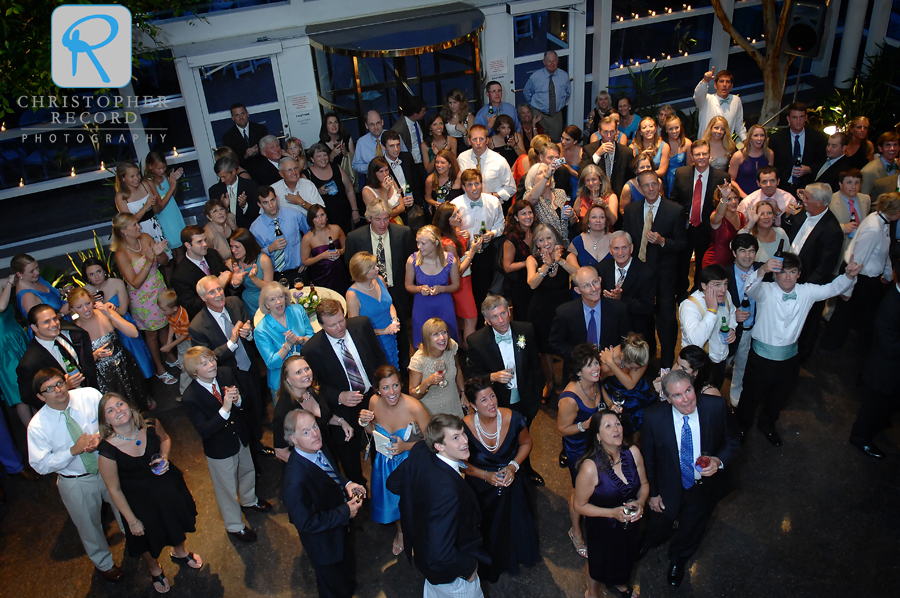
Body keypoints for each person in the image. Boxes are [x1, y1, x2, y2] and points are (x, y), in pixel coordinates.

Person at [738, 252, 862, 445]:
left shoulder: (807, 291)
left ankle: (768, 424)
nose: (787, 277)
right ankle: (741, 427)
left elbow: (832, 288)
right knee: (750, 395)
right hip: (761, 357)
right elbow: (750, 288)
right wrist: (762, 269)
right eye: (783, 272)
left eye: (792, 272)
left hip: (789, 358)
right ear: (775, 274)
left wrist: (849, 275)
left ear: (799, 274)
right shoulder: (765, 290)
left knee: (780, 397)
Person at [641, 369, 741, 588]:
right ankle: (646, 543)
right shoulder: (653, 417)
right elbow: (648, 458)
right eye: (677, 395)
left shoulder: (715, 407)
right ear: (667, 399)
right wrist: (653, 493)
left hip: (703, 486)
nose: (686, 398)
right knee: (659, 523)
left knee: (692, 527)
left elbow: (734, 441)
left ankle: (678, 560)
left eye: (688, 390)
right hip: (668, 485)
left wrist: (719, 461)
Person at [27, 368, 125, 583]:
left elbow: (113, 420)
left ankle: (137, 543)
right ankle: (105, 565)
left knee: (125, 508)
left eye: (59, 383)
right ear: (40, 396)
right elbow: (40, 465)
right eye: (49, 389)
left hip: (108, 466)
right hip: (76, 481)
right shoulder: (37, 426)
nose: (58, 390)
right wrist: (74, 450)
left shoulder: (89, 396)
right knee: (89, 525)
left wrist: (100, 437)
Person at [97, 393, 200, 594]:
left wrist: (165, 457)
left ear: (129, 406)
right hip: (139, 503)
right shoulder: (107, 451)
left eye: (120, 404)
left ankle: (180, 551)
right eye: (110, 410)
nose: (118, 410)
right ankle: (154, 568)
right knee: (145, 537)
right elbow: (114, 489)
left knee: (175, 521)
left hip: (167, 487)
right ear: (106, 421)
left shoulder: (150, 424)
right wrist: (131, 520)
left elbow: (165, 439)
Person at [386, 414, 489, 597]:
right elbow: (440, 553)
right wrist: (467, 569)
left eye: (463, 434)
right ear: (439, 446)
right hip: (454, 580)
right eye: (455, 438)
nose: (465, 441)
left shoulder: (420, 450)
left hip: (425, 563)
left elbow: (394, 483)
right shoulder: (448, 492)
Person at [181, 347, 271, 541]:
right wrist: (225, 409)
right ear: (194, 372)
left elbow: (246, 401)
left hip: (240, 436)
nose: (212, 365)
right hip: (220, 449)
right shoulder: (190, 397)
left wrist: (238, 400)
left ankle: (249, 500)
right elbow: (204, 430)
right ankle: (234, 525)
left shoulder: (225, 373)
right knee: (226, 489)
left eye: (211, 360)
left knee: (248, 470)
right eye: (204, 364)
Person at [460, 378, 539, 583]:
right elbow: (460, 464)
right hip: (481, 485)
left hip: (513, 479)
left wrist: (513, 466)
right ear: (473, 405)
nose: (491, 403)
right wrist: (486, 475)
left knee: (517, 519)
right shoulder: (464, 428)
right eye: (484, 400)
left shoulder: (513, 418)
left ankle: (520, 555)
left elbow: (526, 443)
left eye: (492, 396)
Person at [301, 299, 388, 484]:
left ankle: (382, 485)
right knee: (349, 456)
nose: (340, 328)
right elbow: (314, 386)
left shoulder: (362, 325)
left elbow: (379, 358)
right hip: (342, 410)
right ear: (322, 325)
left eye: (341, 321)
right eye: (332, 325)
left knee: (380, 446)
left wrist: (382, 390)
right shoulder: (312, 350)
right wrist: (338, 396)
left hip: (373, 398)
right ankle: (358, 492)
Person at [283, 409, 365, 598]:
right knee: (332, 586)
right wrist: (345, 511)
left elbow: (332, 472)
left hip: (339, 532)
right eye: (305, 432)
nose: (315, 433)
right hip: (324, 545)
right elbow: (306, 523)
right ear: (293, 439)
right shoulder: (295, 481)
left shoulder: (318, 447)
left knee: (344, 573)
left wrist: (348, 483)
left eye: (314, 426)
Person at [465, 295, 545, 485]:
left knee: (523, 436)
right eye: (494, 317)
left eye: (503, 313)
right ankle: (502, 471)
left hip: (526, 398)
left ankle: (524, 469)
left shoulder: (525, 330)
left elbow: (536, 365)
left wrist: (536, 394)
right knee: (504, 440)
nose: (501, 320)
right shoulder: (476, 341)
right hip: (498, 401)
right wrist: (492, 377)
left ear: (509, 311)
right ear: (487, 320)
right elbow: (472, 376)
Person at [189, 275, 268, 456]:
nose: (218, 294)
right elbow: (204, 359)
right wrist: (231, 343)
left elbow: (249, 326)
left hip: (249, 367)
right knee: (241, 415)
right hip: (228, 376)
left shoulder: (235, 303)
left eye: (219, 289)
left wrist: (249, 334)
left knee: (256, 407)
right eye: (212, 292)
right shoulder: (198, 326)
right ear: (203, 298)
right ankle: (248, 452)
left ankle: (257, 444)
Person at [573, 411, 649, 598]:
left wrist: (640, 502)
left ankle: (620, 584)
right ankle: (591, 593)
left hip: (629, 525)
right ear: (598, 436)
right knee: (598, 564)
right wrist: (612, 513)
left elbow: (645, 484)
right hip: (603, 527)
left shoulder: (633, 453)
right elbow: (579, 506)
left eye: (617, 424)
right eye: (608, 426)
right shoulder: (590, 468)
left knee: (625, 558)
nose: (616, 429)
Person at [358, 364, 431, 555]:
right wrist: (365, 423)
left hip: (411, 463)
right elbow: (372, 432)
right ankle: (401, 531)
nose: (392, 392)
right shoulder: (373, 402)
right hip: (385, 463)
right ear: (377, 390)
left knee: (414, 504)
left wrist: (406, 446)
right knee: (394, 502)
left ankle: (420, 532)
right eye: (385, 387)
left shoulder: (414, 407)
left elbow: (434, 441)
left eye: (395, 385)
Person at [821, 192, 900, 353]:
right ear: (894, 211)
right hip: (861, 278)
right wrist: (848, 288)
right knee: (845, 314)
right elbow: (857, 258)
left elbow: (884, 250)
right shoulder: (874, 228)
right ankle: (830, 347)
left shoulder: (881, 221)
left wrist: (886, 273)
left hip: (867, 278)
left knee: (852, 314)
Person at [621, 170, 686, 365]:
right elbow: (626, 239)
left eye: (654, 184)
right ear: (639, 188)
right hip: (639, 275)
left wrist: (663, 241)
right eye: (646, 185)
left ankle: (666, 364)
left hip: (664, 275)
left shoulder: (675, 210)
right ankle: (644, 362)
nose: (651, 189)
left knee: (666, 320)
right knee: (641, 320)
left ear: (659, 185)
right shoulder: (631, 210)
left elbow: (682, 244)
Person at [344, 200, 415, 369]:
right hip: (367, 292)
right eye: (378, 219)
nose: (383, 224)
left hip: (397, 290)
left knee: (402, 332)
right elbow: (352, 267)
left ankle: (403, 369)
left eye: (386, 219)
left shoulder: (403, 233)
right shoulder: (355, 237)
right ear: (369, 218)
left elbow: (411, 261)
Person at [781, 183, 845, 360]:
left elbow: (825, 267)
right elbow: (789, 235)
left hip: (806, 286)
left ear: (819, 202)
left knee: (806, 325)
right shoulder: (803, 213)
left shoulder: (832, 231)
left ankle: (799, 358)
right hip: (786, 278)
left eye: (807, 197)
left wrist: (803, 289)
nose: (803, 200)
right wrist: (787, 217)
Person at [111, 212, 176, 385]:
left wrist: (160, 254)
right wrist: (148, 260)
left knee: (165, 326)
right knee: (152, 334)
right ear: (123, 231)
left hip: (159, 289)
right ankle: (159, 368)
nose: (139, 226)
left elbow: (164, 262)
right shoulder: (121, 253)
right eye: (134, 225)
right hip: (142, 299)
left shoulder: (146, 237)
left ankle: (170, 356)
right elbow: (135, 282)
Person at [849, 253, 900, 458]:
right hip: (884, 372)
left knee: (884, 406)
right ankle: (860, 438)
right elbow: (889, 347)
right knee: (872, 408)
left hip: (890, 372)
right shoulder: (891, 306)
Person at [67, 289, 153, 410]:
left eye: (88, 304)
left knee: (137, 402)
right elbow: (80, 363)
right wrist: (95, 355)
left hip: (124, 365)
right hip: (102, 376)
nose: (86, 310)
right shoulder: (74, 330)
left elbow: (134, 333)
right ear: (72, 309)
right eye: (80, 307)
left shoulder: (104, 313)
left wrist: (109, 314)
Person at [557, 343, 604, 559]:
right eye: (589, 366)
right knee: (579, 491)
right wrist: (584, 425)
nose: (596, 368)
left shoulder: (597, 383)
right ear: (578, 372)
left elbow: (607, 404)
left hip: (598, 445)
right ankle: (575, 531)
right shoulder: (569, 398)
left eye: (596, 362)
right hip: (578, 450)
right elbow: (562, 429)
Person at [271, 356, 356, 472]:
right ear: (288, 380)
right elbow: (281, 453)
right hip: (305, 469)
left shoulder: (313, 391)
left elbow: (323, 417)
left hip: (326, 454)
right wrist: (314, 466)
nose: (305, 374)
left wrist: (341, 422)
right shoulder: (284, 411)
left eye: (307, 369)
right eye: (298, 372)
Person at [670, 140, 731, 299]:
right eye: (698, 154)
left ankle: (698, 294)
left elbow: (724, 205)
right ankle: (681, 295)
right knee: (681, 264)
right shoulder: (681, 173)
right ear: (692, 156)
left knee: (703, 266)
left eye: (705, 153)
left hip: (707, 228)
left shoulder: (722, 177)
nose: (701, 157)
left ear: (709, 154)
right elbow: (674, 200)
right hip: (685, 227)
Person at [549, 265, 632, 378]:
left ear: (600, 280)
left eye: (595, 282)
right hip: (577, 373)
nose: (594, 289)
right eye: (587, 286)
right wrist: (581, 357)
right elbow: (555, 343)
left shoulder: (618, 309)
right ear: (577, 290)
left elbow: (626, 340)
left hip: (611, 373)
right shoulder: (565, 312)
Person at [82, 258, 155, 380]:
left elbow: (123, 310)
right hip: (103, 328)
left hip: (122, 323)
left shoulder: (116, 283)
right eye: (91, 274)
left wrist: (107, 308)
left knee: (136, 357)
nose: (96, 276)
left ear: (104, 271)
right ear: (87, 277)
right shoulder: (85, 291)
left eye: (98, 271)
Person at [16, 304, 99, 410]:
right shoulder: (29, 363)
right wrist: (63, 388)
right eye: (46, 322)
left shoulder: (68, 333)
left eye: (54, 319)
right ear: (34, 327)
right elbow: (28, 397)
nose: (54, 324)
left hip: (91, 397)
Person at [529, 225, 579, 395]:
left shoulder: (568, 255)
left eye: (549, 238)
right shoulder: (533, 259)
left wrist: (560, 261)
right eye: (541, 240)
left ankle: (568, 382)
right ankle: (548, 383)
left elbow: (579, 274)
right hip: (540, 309)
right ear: (536, 243)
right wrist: (545, 267)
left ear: (556, 238)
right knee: (544, 349)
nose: (546, 242)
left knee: (566, 345)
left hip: (564, 309)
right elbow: (532, 283)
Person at [451, 169, 505, 310]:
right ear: (463, 187)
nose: (474, 188)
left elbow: (501, 224)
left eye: (477, 183)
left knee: (482, 289)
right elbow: (446, 228)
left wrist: (492, 233)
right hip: (462, 254)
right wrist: (458, 234)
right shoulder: (455, 204)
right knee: (463, 293)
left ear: (482, 184)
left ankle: (482, 324)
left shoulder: (493, 202)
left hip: (485, 252)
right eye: (469, 185)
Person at [678, 265, 737, 387]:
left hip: (720, 360)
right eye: (717, 285)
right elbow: (696, 340)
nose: (723, 290)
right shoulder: (690, 306)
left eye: (725, 284)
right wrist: (711, 311)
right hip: (698, 366)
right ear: (704, 285)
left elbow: (732, 313)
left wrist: (732, 328)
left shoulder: (726, 296)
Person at [254, 281, 314, 398]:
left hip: (306, 373)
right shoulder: (261, 330)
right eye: (272, 299)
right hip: (282, 382)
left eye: (280, 296)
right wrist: (287, 345)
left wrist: (300, 340)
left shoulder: (298, 310)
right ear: (266, 304)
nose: (278, 302)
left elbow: (313, 337)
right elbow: (271, 363)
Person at [432, 203, 481, 347]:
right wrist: (472, 252)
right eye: (454, 215)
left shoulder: (452, 234)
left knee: (461, 319)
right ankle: (471, 353)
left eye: (457, 212)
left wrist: (462, 237)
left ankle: (462, 349)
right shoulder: (448, 243)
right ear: (446, 221)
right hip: (460, 283)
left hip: (465, 281)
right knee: (471, 318)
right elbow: (457, 271)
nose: (458, 216)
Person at [406, 224, 460, 347]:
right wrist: (419, 289)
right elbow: (408, 285)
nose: (419, 247)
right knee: (423, 344)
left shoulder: (450, 260)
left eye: (423, 243)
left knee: (448, 343)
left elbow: (456, 285)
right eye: (417, 243)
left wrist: (442, 289)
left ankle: (455, 366)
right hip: (422, 306)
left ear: (436, 242)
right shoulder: (412, 260)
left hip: (444, 304)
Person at [725, 234, 762, 407]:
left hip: (752, 330)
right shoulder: (723, 274)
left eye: (751, 251)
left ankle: (736, 394)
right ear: (734, 253)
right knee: (721, 363)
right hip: (728, 332)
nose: (747, 256)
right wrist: (733, 317)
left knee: (742, 365)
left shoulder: (764, 273)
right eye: (742, 251)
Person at [346, 252, 400, 368]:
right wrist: (384, 331)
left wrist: (394, 320)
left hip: (391, 334)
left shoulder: (380, 280)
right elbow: (356, 329)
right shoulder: (352, 295)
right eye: (373, 267)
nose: (377, 269)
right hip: (374, 340)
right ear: (363, 273)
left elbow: (389, 304)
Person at [599, 334, 654, 441]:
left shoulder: (643, 348)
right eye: (633, 368)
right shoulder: (606, 366)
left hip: (637, 389)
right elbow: (597, 383)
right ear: (623, 357)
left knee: (641, 416)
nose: (637, 370)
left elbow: (631, 384)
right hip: (615, 392)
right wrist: (609, 402)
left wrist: (612, 364)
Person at [409, 317, 467, 417]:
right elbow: (413, 394)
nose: (442, 338)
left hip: (454, 407)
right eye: (435, 334)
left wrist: (463, 393)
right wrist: (428, 382)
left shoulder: (451, 346)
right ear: (427, 338)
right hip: (432, 413)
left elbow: (457, 369)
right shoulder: (418, 360)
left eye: (444, 332)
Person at [251, 185, 309, 283]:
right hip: (274, 276)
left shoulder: (294, 215)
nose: (271, 205)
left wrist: (308, 258)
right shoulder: (255, 228)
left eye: (272, 200)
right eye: (265, 202)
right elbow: (253, 255)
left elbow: (311, 234)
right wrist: (269, 249)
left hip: (299, 270)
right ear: (259, 204)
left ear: (277, 198)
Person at [769, 102, 828, 195]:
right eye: (795, 117)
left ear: (806, 118)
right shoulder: (777, 138)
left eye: (801, 117)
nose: (798, 121)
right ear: (788, 119)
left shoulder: (817, 137)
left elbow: (823, 159)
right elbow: (772, 163)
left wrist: (809, 169)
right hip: (783, 186)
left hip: (808, 186)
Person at [114, 161, 170, 259]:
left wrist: (154, 202)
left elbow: (157, 210)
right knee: (151, 260)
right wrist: (145, 206)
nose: (136, 178)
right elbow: (128, 222)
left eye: (138, 174)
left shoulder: (145, 185)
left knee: (165, 258)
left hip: (155, 226)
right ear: (123, 178)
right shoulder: (121, 196)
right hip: (139, 231)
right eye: (132, 176)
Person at [524, 141, 577, 243]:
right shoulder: (529, 194)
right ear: (532, 180)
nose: (545, 174)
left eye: (546, 171)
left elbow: (572, 222)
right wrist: (547, 173)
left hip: (564, 244)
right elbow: (531, 199)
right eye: (540, 173)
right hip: (544, 244)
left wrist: (572, 215)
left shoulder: (560, 193)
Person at [306, 143, 360, 235]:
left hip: (344, 214)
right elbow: (305, 199)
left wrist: (354, 210)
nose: (323, 158)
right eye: (319, 156)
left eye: (325, 155)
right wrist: (318, 192)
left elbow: (349, 190)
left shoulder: (336, 167)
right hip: (323, 220)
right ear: (312, 159)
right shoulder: (307, 175)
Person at [456, 125, 516, 207]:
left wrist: (490, 195)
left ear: (487, 140)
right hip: (469, 205)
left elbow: (511, 188)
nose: (478, 143)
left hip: (493, 205)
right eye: (474, 139)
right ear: (469, 141)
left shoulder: (499, 161)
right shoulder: (462, 158)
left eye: (481, 139)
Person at [0, 273, 31, 426]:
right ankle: (33, 431)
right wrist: (8, 284)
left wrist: (17, 276)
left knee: (33, 381)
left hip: (17, 337)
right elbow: (1, 306)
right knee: (17, 391)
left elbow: (19, 279)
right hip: (3, 346)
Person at [580, 116, 633, 198]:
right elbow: (582, 173)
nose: (609, 135)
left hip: (619, 197)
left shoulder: (626, 152)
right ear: (599, 132)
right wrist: (597, 154)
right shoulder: (589, 149)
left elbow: (631, 178)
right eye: (605, 132)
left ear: (616, 131)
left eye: (612, 131)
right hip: (595, 196)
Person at [301, 205, 350, 291]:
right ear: (311, 220)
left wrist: (340, 251)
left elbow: (347, 247)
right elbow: (305, 261)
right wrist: (322, 256)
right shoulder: (307, 238)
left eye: (322, 215)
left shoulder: (336, 229)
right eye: (316, 217)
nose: (320, 219)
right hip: (321, 275)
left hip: (340, 271)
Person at [501, 200, 536, 317]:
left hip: (537, 282)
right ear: (516, 217)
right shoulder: (511, 239)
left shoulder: (537, 232)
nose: (528, 217)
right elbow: (507, 267)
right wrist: (527, 262)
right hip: (520, 286)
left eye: (530, 213)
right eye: (523, 213)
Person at [524, 51, 570, 142]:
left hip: (556, 116)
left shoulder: (564, 76)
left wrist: (558, 105)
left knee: (555, 142)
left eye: (554, 60)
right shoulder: (535, 77)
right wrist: (536, 106)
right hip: (539, 115)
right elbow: (527, 93)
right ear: (544, 62)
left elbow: (567, 94)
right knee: (540, 143)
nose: (552, 64)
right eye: (549, 61)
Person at [144, 152, 186, 252]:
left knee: (183, 244)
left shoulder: (163, 176)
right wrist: (171, 186)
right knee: (176, 249)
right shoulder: (150, 182)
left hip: (174, 213)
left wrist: (173, 181)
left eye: (164, 167)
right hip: (165, 217)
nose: (162, 171)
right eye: (159, 168)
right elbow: (160, 206)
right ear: (150, 166)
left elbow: (172, 196)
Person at [827, 168, 872, 263]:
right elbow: (823, 225)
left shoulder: (866, 199)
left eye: (857, 183)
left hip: (861, 250)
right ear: (841, 184)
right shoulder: (830, 201)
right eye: (849, 183)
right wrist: (842, 227)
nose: (854, 186)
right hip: (839, 251)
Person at [382, 129, 425, 225]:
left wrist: (419, 204)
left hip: (414, 208)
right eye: (391, 146)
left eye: (398, 144)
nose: (396, 149)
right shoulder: (380, 165)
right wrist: (400, 202)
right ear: (383, 147)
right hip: (395, 213)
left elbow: (416, 181)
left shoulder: (407, 157)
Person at [12, 253, 67, 328]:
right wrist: (61, 313)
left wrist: (61, 292)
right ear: (19, 274)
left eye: (37, 268)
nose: (37, 272)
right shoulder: (27, 296)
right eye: (31, 271)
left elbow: (49, 297)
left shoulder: (39, 279)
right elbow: (41, 325)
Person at [228, 228, 273, 317]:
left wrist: (253, 278)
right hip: (247, 303)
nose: (233, 250)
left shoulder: (263, 260)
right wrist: (235, 282)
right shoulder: (231, 264)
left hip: (265, 299)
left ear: (247, 245)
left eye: (237, 247)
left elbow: (269, 288)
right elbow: (230, 290)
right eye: (231, 246)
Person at [693, 67, 747, 141]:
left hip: (725, 148)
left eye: (727, 82)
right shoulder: (706, 99)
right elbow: (697, 95)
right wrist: (705, 81)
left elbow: (739, 125)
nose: (724, 84)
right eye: (721, 81)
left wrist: (746, 141)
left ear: (731, 86)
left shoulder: (736, 100)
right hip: (705, 147)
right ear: (715, 85)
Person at [209, 156, 260, 230]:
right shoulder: (214, 190)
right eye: (220, 177)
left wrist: (244, 206)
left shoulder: (251, 186)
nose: (222, 180)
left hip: (249, 231)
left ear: (233, 171)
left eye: (224, 177)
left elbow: (257, 212)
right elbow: (213, 218)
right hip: (227, 233)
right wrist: (224, 207)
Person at [157, 290, 192, 396]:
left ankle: (184, 392)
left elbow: (185, 335)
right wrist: (169, 339)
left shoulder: (183, 317)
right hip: (179, 336)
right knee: (183, 360)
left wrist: (171, 346)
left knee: (186, 364)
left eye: (164, 310)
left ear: (174, 309)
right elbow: (172, 324)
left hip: (187, 340)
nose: (162, 312)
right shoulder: (171, 313)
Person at [704, 181, 746, 267]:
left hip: (733, 264)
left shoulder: (741, 216)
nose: (734, 202)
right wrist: (724, 198)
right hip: (714, 264)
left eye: (735, 198)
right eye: (729, 199)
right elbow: (720, 214)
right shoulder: (715, 216)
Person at [391, 96, 429, 185]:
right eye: (423, 112)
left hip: (422, 161)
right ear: (415, 114)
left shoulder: (416, 121)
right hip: (412, 166)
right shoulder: (399, 129)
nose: (425, 113)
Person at [730, 124, 774, 198]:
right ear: (750, 137)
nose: (759, 138)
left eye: (762, 135)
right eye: (756, 135)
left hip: (764, 197)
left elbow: (770, 177)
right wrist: (746, 197)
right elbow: (731, 180)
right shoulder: (738, 156)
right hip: (743, 197)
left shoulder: (769, 154)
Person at [361, 157, 407, 223]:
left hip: (398, 222)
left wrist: (389, 213)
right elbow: (381, 213)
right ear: (374, 174)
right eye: (381, 171)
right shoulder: (367, 191)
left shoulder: (393, 183)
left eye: (386, 170)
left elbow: (402, 207)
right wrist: (385, 192)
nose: (385, 174)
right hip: (380, 225)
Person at [222, 103, 268, 167]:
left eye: (242, 114)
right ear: (232, 118)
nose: (241, 117)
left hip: (264, 166)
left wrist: (258, 151)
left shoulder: (261, 129)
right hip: (243, 169)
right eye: (237, 115)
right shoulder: (228, 136)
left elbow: (269, 148)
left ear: (247, 114)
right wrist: (245, 155)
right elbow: (231, 159)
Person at [569, 204, 613, 269]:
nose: (598, 220)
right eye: (594, 217)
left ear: (606, 221)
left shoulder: (615, 239)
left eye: (602, 217)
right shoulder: (577, 241)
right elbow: (569, 265)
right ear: (588, 222)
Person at [631, 116, 670, 182]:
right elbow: (632, 170)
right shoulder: (633, 148)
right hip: (639, 182)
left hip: (658, 182)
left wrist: (647, 175)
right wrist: (641, 156)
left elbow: (662, 171)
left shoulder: (664, 146)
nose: (648, 129)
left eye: (651, 126)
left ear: (655, 129)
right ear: (640, 132)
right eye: (644, 127)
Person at [318, 111, 356, 176]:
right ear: (326, 126)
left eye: (335, 122)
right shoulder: (321, 144)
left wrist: (346, 153)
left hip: (349, 175)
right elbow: (321, 167)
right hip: (332, 176)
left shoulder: (347, 138)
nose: (334, 125)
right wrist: (331, 156)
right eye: (330, 123)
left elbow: (355, 160)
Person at [663, 115, 693, 196]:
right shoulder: (661, 143)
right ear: (666, 130)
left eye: (677, 128)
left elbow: (689, 166)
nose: (674, 131)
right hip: (664, 180)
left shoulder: (687, 143)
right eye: (670, 129)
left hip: (681, 179)